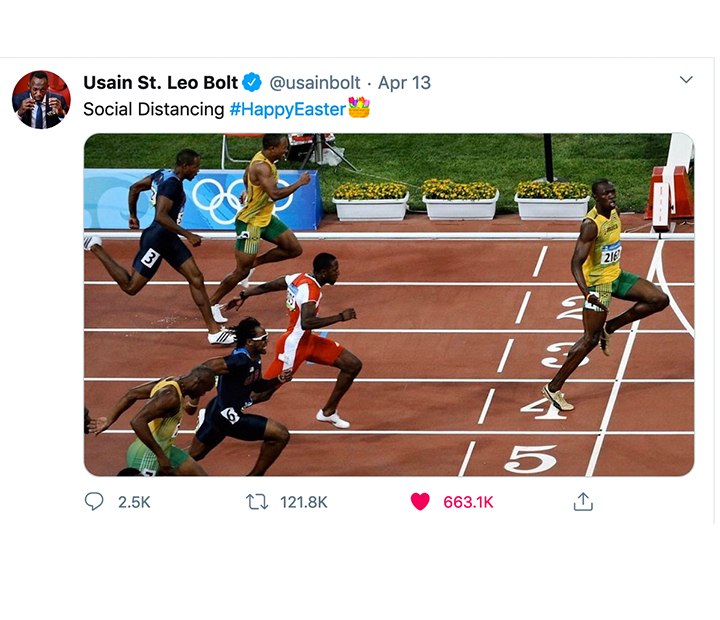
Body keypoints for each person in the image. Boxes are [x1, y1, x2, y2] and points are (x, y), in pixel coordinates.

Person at [542, 179, 669, 411]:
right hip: (598, 286)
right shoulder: (590, 225)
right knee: (589, 340)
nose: (612, 196)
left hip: (617, 276)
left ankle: (609, 327)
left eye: (613, 192)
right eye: (606, 194)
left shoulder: (615, 213)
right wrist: (586, 293)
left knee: (659, 299)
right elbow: (575, 263)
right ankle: (553, 388)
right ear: (596, 197)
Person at [83, 149, 233, 345]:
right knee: (131, 287)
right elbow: (161, 216)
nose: (197, 171)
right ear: (185, 166)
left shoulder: (162, 174)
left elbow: (134, 188)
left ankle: (214, 331)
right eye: (195, 167)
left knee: (196, 278)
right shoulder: (172, 185)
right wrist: (188, 235)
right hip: (157, 239)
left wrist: (133, 215)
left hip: (168, 237)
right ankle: (95, 246)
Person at [226, 252, 362, 428]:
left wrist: (245, 294)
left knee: (352, 365)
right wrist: (340, 317)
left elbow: (272, 285)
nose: (338, 273)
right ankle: (221, 410)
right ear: (323, 273)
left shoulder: (299, 278)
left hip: (308, 341)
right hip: (293, 347)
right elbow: (307, 322)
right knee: (262, 394)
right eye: (335, 270)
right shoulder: (311, 291)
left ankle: (328, 412)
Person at [209, 134, 311, 323]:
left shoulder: (261, 159)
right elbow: (275, 193)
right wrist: (300, 183)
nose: (286, 150)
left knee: (294, 249)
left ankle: (254, 264)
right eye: (283, 147)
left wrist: (248, 189)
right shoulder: (262, 166)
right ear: (272, 149)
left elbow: (246, 174)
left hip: (265, 218)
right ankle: (212, 303)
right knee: (240, 271)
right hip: (250, 223)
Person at [188, 317, 291, 476]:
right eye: (263, 338)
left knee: (194, 455)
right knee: (281, 434)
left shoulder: (255, 357)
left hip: (217, 410)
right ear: (249, 342)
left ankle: (159, 471)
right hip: (228, 417)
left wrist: (278, 379)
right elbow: (206, 367)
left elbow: (257, 385)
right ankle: (254, 477)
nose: (267, 341)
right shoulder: (239, 360)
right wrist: (193, 398)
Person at [88, 365, 217, 476]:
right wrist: (160, 456)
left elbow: (132, 394)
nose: (203, 394)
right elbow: (137, 422)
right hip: (147, 454)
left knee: (200, 476)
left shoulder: (171, 381)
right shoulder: (170, 397)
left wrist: (109, 419)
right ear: (197, 382)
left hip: (166, 449)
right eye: (205, 390)